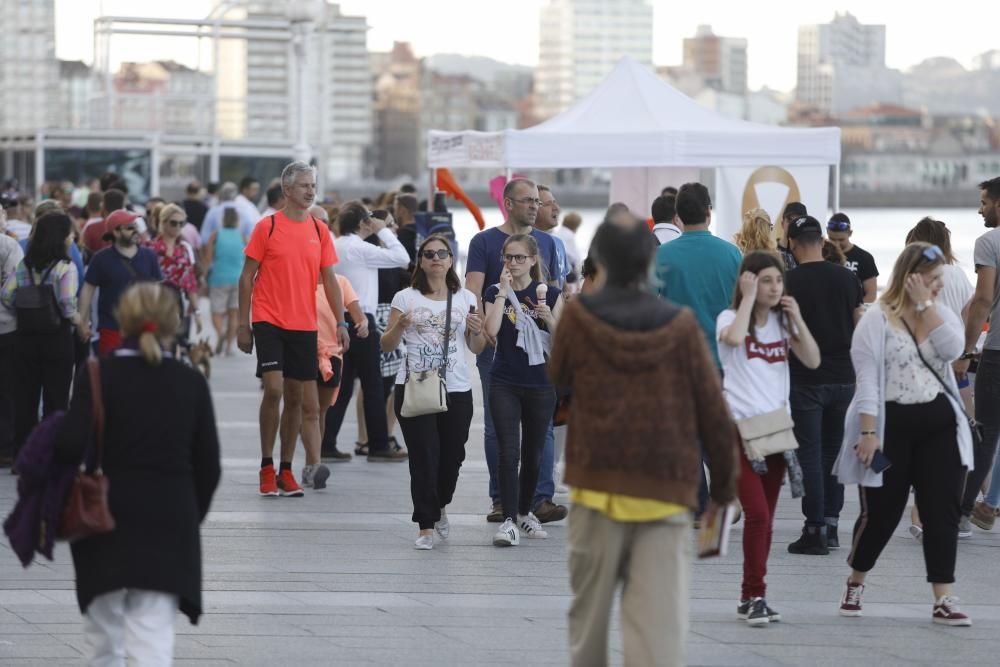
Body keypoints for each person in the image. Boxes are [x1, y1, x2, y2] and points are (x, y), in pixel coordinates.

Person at [551, 221, 738, 666]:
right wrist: (725, 490)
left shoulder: (579, 316)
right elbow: (713, 412)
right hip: (664, 493)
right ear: (650, 263)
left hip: (597, 490)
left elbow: (558, 377)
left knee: (589, 623)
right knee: (657, 628)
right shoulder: (680, 325)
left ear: (602, 261)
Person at [54, 282, 221, 664]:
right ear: (172, 323)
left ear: (122, 320)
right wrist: (189, 514)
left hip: (104, 518)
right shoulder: (190, 381)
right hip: (169, 518)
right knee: (152, 635)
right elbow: (209, 465)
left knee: (104, 640)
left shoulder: (96, 374)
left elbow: (67, 447)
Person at [833, 242, 973, 626]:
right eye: (932, 280)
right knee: (883, 514)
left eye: (940, 280)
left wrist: (926, 307)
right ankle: (857, 578)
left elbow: (953, 351)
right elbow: (865, 381)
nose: (939, 287)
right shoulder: (876, 320)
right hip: (891, 425)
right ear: (910, 277)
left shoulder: (939, 313)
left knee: (941, 510)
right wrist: (868, 431)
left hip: (940, 424)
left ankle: (943, 597)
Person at [717, 251, 819, 626]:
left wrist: (798, 320)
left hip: (776, 431)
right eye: (766, 280)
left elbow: (812, 359)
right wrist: (746, 300)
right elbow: (732, 339)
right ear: (748, 282)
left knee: (767, 520)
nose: (775, 287)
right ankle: (755, 595)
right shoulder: (730, 317)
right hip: (739, 431)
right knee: (757, 515)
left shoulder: (783, 323)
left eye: (779, 281)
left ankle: (751, 596)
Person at [237, 161, 349, 496]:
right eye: (303, 185)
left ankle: (287, 470)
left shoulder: (319, 231)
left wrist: (341, 320)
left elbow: (330, 279)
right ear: (287, 190)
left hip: (304, 323)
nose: (311, 191)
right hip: (269, 319)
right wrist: (243, 325)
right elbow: (246, 277)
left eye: (313, 185)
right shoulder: (267, 227)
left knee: (297, 397)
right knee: (273, 390)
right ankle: (266, 466)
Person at [465, 178, 566, 524]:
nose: (536, 206)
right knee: (498, 428)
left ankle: (540, 498)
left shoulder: (550, 243)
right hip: (497, 345)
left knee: (544, 429)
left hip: (539, 354)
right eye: (527, 201)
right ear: (508, 203)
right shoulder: (484, 241)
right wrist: (481, 326)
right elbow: (473, 289)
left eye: (538, 201)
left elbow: (552, 291)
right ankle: (501, 499)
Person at [382, 235, 485, 549]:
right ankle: (425, 525)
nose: (436, 258)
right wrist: (400, 326)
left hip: (456, 385)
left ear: (451, 260)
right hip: (414, 385)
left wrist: (478, 331)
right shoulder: (405, 297)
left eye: (442, 253)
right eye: (429, 254)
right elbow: (385, 345)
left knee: (453, 456)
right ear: (421, 261)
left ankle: (440, 504)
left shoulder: (466, 297)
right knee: (424, 455)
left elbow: (476, 346)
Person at [654, 182, 742, 515]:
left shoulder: (663, 255)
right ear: (709, 210)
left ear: (678, 215)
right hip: (724, 357)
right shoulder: (732, 253)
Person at [784, 215, 865, 554]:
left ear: (791, 244)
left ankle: (813, 527)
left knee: (810, 453)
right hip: (845, 377)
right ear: (821, 241)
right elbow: (858, 323)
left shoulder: (789, 282)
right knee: (833, 452)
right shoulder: (848, 279)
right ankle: (831, 524)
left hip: (806, 378)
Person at [483, 234, 562, 546]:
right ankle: (508, 521)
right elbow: (490, 332)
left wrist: (551, 320)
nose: (512, 263)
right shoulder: (494, 291)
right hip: (504, 380)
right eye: (508, 258)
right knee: (508, 450)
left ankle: (526, 512)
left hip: (541, 383)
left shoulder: (551, 294)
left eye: (519, 258)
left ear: (533, 260)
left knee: (533, 454)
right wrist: (502, 292)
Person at [321, 202, 410, 462]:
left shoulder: (335, 245)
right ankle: (379, 444)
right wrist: (382, 231)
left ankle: (327, 443)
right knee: (372, 384)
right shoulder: (360, 248)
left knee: (343, 384)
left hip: (337, 318)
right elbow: (402, 258)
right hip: (362, 319)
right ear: (363, 224)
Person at [1, 213, 81, 454]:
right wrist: (80, 322)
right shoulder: (65, 267)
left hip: (25, 337)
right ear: (60, 237)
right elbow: (67, 304)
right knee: (56, 398)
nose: (72, 237)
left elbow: (6, 294)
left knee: (26, 397)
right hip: (56, 339)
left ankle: (23, 453)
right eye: (69, 233)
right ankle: (51, 452)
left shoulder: (24, 264)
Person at [956, 177, 1000, 536]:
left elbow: (983, 299)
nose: (980, 208)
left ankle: (962, 511)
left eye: (985, 202)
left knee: (986, 431)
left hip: (998, 353)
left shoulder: (989, 241)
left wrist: (967, 349)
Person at [79, 210, 163, 355]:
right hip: (111, 329)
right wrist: (82, 323)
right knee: (113, 375)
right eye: (130, 227)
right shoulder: (100, 259)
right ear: (116, 232)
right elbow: (87, 290)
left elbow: (158, 290)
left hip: (145, 329)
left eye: (135, 226)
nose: (136, 230)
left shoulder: (149, 256)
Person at [150, 203, 201, 336]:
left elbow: (190, 284)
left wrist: (197, 313)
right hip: (155, 302)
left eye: (181, 223)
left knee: (178, 345)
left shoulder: (184, 249)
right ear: (163, 222)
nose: (178, 227)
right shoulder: (150, 249)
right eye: (174, 223)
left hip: (178, 304)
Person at [203, 205, 245, 356]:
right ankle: (228, 347)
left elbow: (208, 258)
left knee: (216, 311)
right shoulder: (241, 235)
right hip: (238, 278)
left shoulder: (216, 235)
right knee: (234, 314)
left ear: (222, 219)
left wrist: (203, 276)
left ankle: (220, 333)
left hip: (219, 278)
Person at [0, 208, 24, 465]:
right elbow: (13, 286)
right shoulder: (8, 245)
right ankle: (5, 447)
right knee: (7, 387)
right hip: (7, 325)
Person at [827, 213, 879, 303]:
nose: (836, 244)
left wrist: (853, 311)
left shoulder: (864, 258)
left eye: (841, 240)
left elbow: (871, 295)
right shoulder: (822, 255)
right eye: (832, 239)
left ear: (850, 233)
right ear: (827, 231)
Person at [82, 189, 125, 259]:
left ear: (103, 206)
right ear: (122, 207)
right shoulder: (129, 229)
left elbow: (85, 254)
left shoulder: (91, 229)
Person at [552, 210, 583, 284]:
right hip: (566, 274)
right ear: (576, 225)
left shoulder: (556, 233)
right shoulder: (569, 236)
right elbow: (576, 258)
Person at [776, 202, 807, 271]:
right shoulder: (771, 250)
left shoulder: (808, 253)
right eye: (789, 219)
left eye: (798, 221)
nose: (793, 224)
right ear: (782, 223)